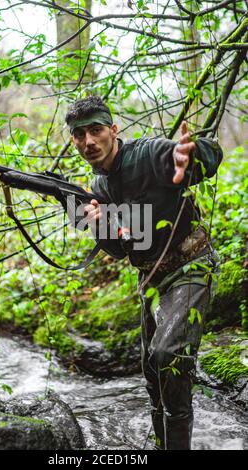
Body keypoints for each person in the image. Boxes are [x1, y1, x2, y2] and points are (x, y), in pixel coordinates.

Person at [65, 95, 223, 450]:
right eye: (79, 135)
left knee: (169, 356)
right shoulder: (100, 187)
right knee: (151, 368)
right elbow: (123, 248)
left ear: (113, 130)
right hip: (150, 279)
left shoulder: (148, 153)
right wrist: (98, 226)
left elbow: (205, 155)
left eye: (96, 130)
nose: (89, 142)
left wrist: (192, 156)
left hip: (190, 263)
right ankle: (159, 444)